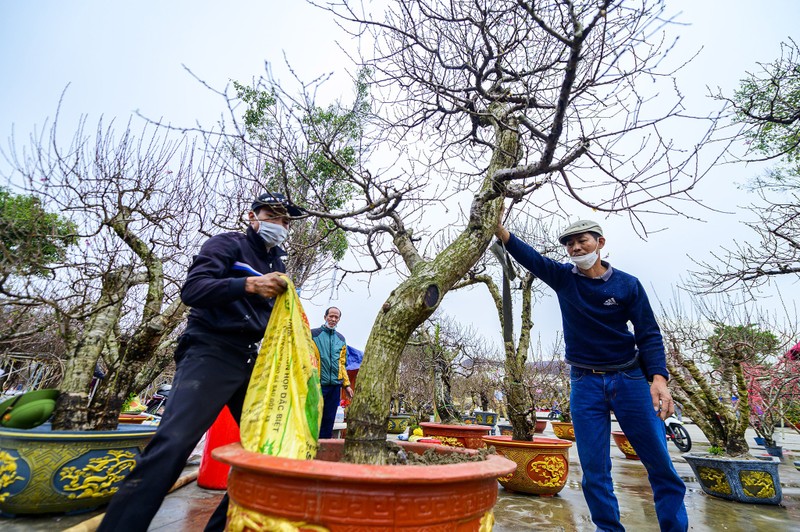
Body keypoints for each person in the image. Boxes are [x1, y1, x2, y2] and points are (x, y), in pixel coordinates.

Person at [98, 192, 303, 532]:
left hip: (251, 359)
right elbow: (193, 289)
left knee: (268, 451)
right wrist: (248, 284)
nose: (280, 224)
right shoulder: (228, 245)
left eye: (285, 220)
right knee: (175, 442)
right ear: (253, 216)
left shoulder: (277, 264)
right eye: (273, 215)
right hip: (210, 349)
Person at [495, 218, 688, 532]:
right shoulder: (563, 279)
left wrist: (659, 379)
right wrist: (501, 231)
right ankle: (608, 529)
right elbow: (531, 257)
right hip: (585, 383)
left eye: (581, 240)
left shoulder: (627, 285)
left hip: (630, 379)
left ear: (600, 242)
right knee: (594, 470)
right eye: (569, 244)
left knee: (661, 465)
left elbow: (649, 334)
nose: (574, 248)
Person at [310, 307, 353, 439]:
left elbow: (342, 364)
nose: (333, 319)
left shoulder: (341, 339)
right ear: (325, 317)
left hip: (335, 386)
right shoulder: (313, 334)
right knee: (313, 417)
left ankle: (323, 447)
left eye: (336, 317)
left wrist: (346, 385)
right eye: (331, 316)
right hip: (317, 385)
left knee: (329, 420)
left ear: (339, 319)